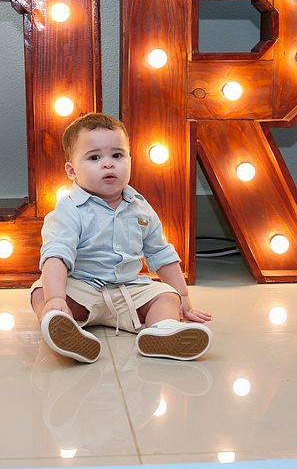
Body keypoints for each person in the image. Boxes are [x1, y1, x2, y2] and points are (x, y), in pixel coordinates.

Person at [30, 112, 212, 363]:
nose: (108, 164)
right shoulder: (69, 209)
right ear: (72, 171)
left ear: (130, 160)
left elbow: (161, 253)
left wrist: (183, 297)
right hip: (82, 289)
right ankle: (61, 324)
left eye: (117, 155)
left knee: (166, 295)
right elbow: (56, 256)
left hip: (128, 290)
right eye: (94, 157)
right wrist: (56, 298)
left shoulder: (140, 207)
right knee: (40, 291)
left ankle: (163, 331)